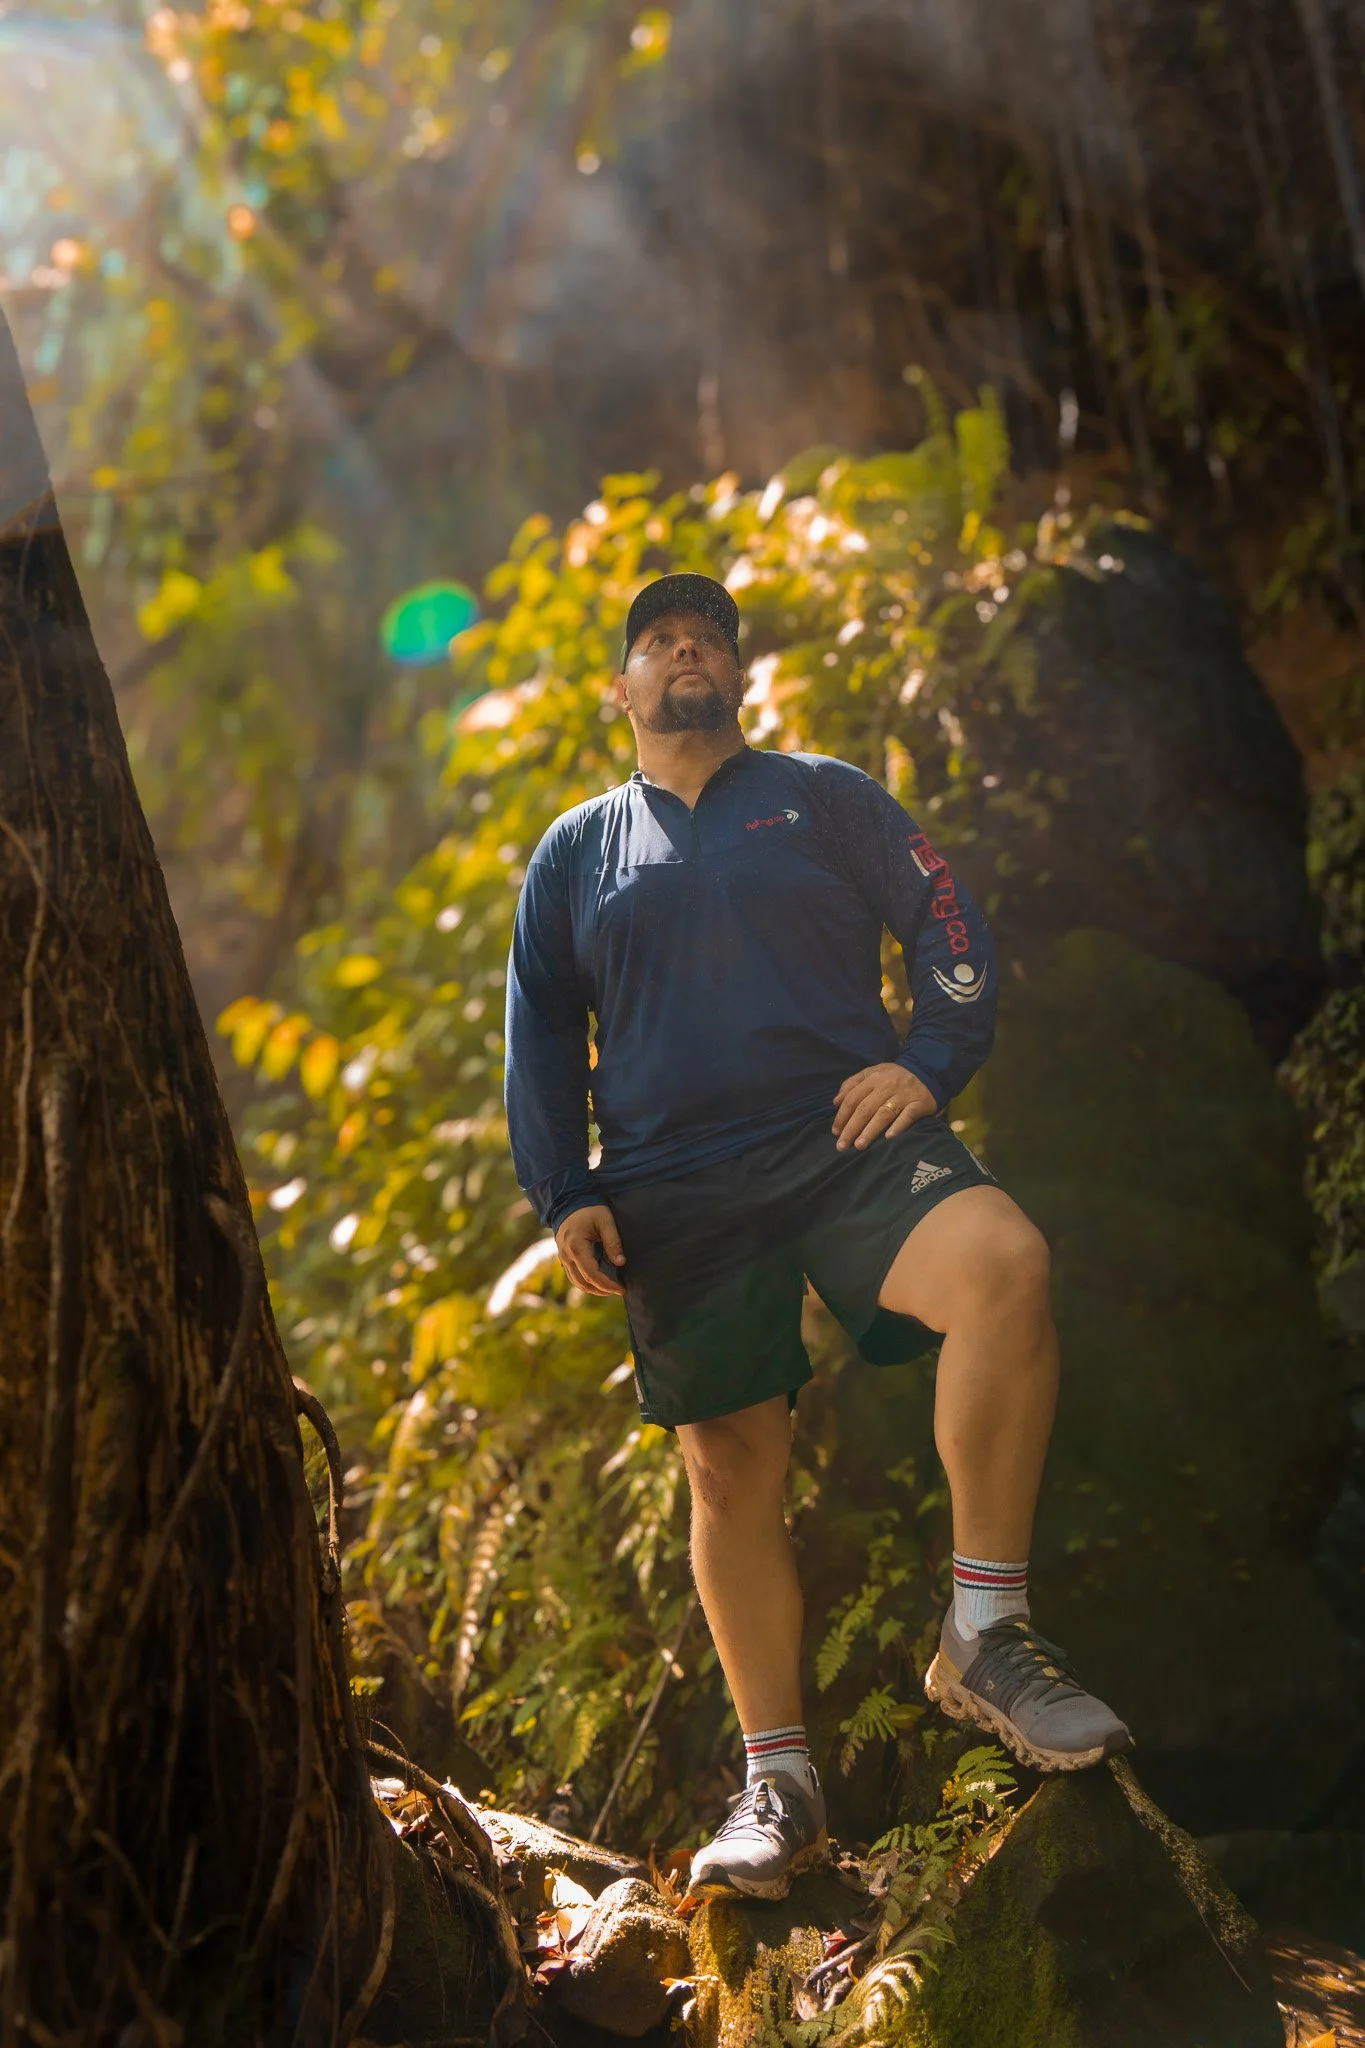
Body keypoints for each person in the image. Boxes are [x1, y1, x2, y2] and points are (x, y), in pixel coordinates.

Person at [504, 572, 1130, 1901]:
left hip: (847, 1136)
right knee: (729, 1477)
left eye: (708, 638)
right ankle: (778, 1786)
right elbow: (542, 1036)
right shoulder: (576, 852)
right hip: (678, 1187)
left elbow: (946, 923)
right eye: (658, 642)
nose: (687, 649)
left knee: (1007, 1263)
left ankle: (987, 1632)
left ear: (738, 676)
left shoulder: (826, 797)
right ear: (621, 691)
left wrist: (934, 1056)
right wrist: (566, 1190)